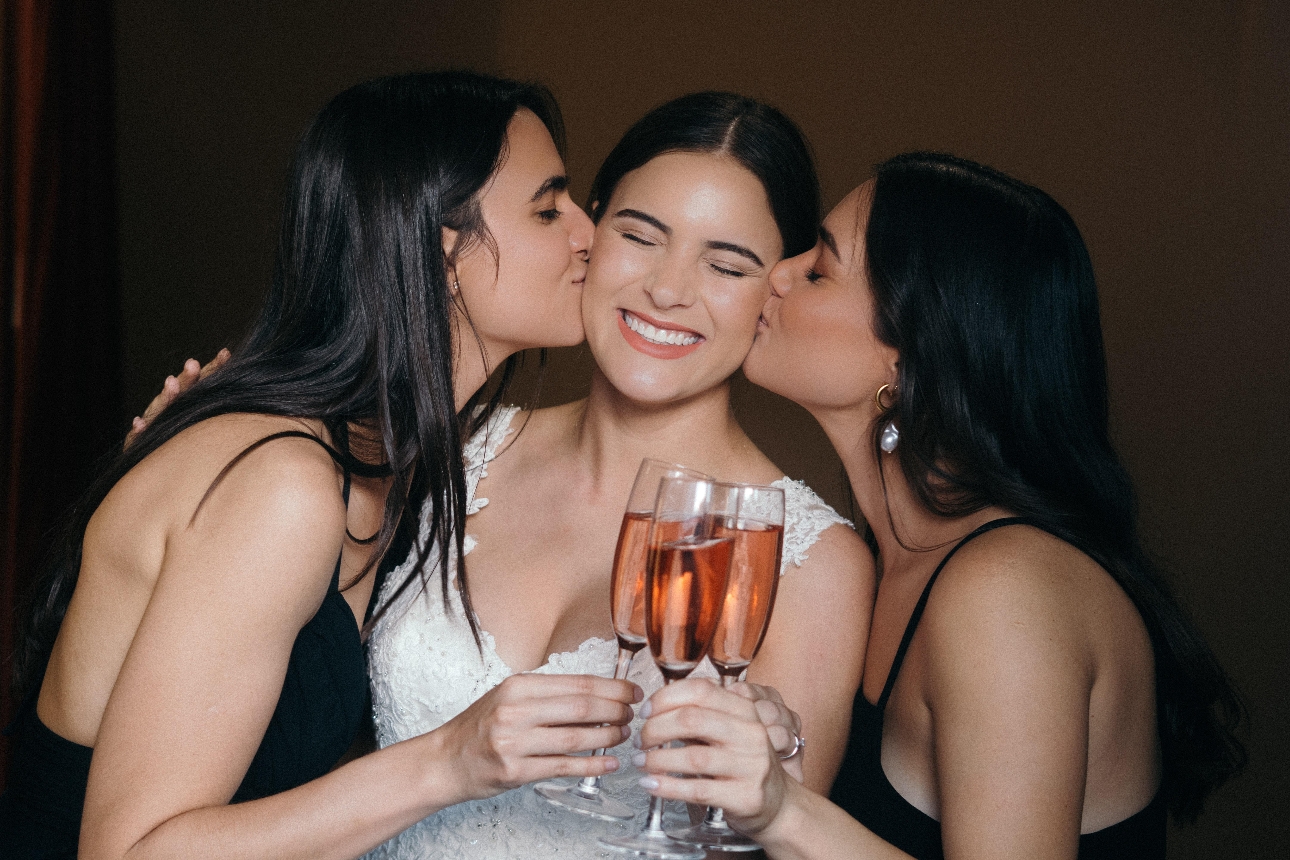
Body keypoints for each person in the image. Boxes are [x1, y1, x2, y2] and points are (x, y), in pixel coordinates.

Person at [0, 71, 644, 859]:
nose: (590, 232)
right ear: (441, 252)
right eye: (550, 208)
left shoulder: (401, 462)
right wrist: (450, 759)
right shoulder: (285, 483)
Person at [633, 152, 1246, 859]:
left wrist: (784, 813)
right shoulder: (889, 559)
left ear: (908, 353)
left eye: (819, 269)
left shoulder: (1006, 590)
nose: (777, 271)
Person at [361, 92, 874, 859]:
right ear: (587, 231)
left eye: (726, 264)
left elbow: (772, 839)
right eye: (640, 236)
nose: (668, 290)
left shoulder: (809, 560)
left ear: (777, 290)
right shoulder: (450, 447)